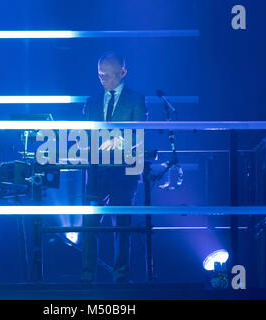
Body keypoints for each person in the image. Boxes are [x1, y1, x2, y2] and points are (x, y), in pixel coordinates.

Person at [81, 51, 147, 283]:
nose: (104, 79)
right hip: (96, 170)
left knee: (122, 223)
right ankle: (87, 276)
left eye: (109, 75)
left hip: (123, 170)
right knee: (89, 224)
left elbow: (138, 132)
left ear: (123, 73)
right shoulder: (91, 102)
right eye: (100, 75)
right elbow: (85, 134)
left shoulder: (136, 99)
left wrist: (118, 139)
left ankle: (120, 277)